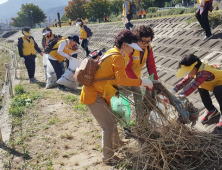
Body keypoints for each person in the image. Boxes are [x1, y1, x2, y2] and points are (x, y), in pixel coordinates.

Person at [80, 29, 154, 163]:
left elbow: (110, 76)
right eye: (132, 48)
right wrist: (142, 81)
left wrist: (115, 91)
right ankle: (108, 156)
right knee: (107, 125)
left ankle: (117, 143)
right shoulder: (118, 57)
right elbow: (122, 80)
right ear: (125, 45)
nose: (133, 51)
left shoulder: (114, 52)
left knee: (112, 120)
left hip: (101, 92)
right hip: (94, 94)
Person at [172, 54, 222, 128]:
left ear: (194, 68)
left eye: (188, 71)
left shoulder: (203, 72)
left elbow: (192, 87)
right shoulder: (197, 67)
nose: (188, 73)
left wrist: (177, 97)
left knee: (217, 90)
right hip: (216, 84)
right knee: (201, 87)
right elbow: (185, 80)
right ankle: (212, 110)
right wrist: (173, 91)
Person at [123, 25, 158, 124]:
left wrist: (155, 82)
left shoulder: (148, 48)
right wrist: (140, 82)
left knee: (138, 100)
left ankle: (141, 123)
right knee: (123, 102)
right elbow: (127, 68)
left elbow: (151, 65)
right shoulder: (130, 48)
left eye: (149, 41)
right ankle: (126, 127)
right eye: (144, 41)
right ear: (136, 39)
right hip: (123, 77)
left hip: (136, 77)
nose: (146, 44)